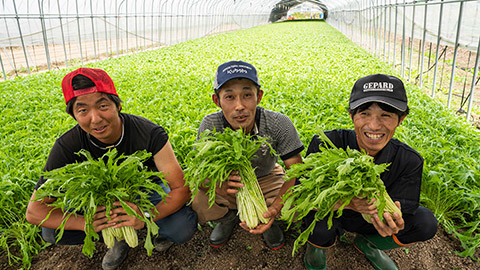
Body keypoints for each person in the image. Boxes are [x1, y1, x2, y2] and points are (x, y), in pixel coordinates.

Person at [25, 67, 198, 270]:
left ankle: (156, 230)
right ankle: (116, 239)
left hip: (146, 193)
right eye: (83, 110)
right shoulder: (67, 146)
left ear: (118, 105)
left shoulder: (149, 133)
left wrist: (145, 216)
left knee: (182, 227)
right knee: (51, 231)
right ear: (73, 115)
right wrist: (87, 224)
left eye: (103, 105)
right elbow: (34, 211)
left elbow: (182, 189)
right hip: (98, 203)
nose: (96, 118)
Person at [302, 74, 438, 270]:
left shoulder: (409, 160)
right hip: (333, 214)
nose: (374, 125)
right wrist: (350, 203)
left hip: (372, 221)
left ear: (401, 119)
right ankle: (316, 249)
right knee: (319, 225)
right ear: (352, 116)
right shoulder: (326, 144)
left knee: (425, 222)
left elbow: (404, 209)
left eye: (386, 115)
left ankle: (369, 245)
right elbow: (303, 199)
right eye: (364, 113)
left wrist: (395, 223)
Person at [192, 60, 304, 250]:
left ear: (258, 96)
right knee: (199, 200)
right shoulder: (210, 125)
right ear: (216, 100)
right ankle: (226, 219)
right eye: (229, 97)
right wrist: (219, 187)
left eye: (247, 95)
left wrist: (276, 207)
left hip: (267, 176)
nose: (239, 106)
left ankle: (271, 220)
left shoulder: (278, 123)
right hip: (226, 183)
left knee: (298, 200)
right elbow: (198, 174)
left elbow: (297, 170)